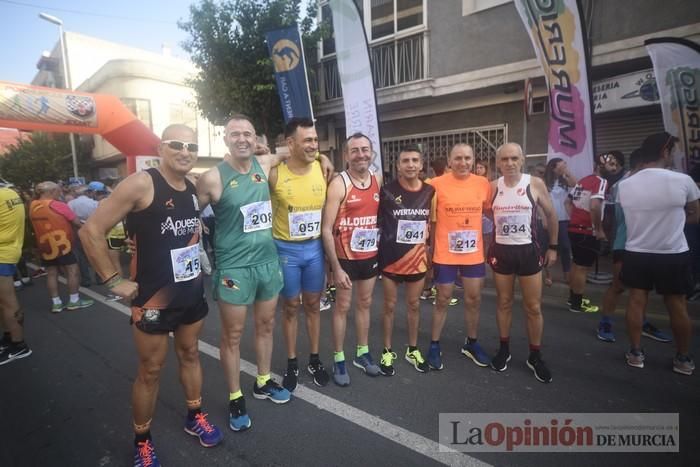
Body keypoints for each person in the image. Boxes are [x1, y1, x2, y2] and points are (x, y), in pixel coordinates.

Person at [80, 124, 223, 466]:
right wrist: (114, 280)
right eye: (177, 144)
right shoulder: (141, 183)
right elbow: (90, 231)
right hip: (154, 299)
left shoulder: (192, 188)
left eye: (191, 145)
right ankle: (142, 439)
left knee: (190, 355)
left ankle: (194, 417)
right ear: (161, 148)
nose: (185, 151)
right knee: (151, 371)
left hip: (190, 292)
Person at [197, 114, 291, 432]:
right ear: (224, 139)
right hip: (234, 267)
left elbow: (291, 151)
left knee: (266, 324)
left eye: (248, 134)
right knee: (233, 336)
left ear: (255, 138)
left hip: (267, 262)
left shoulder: (263, 166)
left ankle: (263, 381)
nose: (242, 139)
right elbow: (187, 212)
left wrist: (265, 147)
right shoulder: (212, 177)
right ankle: (236, 396)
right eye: (235, 134)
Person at [618, 132, 699, 375]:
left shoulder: (626, 184)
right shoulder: (683, 181)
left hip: (637, 250)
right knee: (676, 304)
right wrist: (675, 223)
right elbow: (696, 214)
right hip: (672, 251)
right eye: (672, 151)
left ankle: (635, 352)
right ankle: (683, 358)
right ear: (665, 152)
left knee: (636, 300)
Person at [487, 143, 557, 383]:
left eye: (514, 158)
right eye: (504, 159)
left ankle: (535, 355)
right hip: (502, 252)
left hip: (528, 251)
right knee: (504, 302)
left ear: (522, 159)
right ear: (498, 163)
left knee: (533, 307)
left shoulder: (534, 184)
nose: (509, 163)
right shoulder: (492, 187)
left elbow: (551, 214)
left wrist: (554, 247)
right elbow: (488, 215)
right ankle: (504, 349)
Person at [269, 117, 330, 391]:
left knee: (314, 305)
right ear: (290, 143)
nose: (314, 145)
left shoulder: (322, 167)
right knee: (291, 307)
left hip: (315, 248)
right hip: (286, 250)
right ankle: (292, 361)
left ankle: (314, 359)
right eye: (307, 140)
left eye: (315, 140)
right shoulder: (275, 173)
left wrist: (323, 155)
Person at [321, 132, 383, 386]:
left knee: (365, 303)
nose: (361, 154)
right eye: (355, 150)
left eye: (365, 149)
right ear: (347, 155)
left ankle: (362, 352)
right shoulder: (339, 183)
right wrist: (335, 266)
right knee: (342, 307)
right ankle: (338, 357)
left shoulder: (378, 179)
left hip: (369, 255)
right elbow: (326, 228)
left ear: (372, 153)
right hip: (345, 258)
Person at [427, 143, 492, 370]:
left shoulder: (483, 184)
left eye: (467, 158)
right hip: (445, 253)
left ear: (473, 160)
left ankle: (471, 343)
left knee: (474, 299)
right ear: (449, 160)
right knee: (443, 299)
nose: (463, 163)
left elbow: (492, 211)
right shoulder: (435, 184)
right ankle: (434, 344)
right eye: (458, 158)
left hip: (473, 254)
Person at [597, 150, 672, 343]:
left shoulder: (657, 183)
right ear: (641, 165)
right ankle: (605, 322)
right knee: (618, 285)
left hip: (651, 244)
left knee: (642, 290)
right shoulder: (624, 185)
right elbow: (616, 217)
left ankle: (643, 322)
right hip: (625, 243)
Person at [378, 144, 434, 375]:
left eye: (414, 160)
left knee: (414, 305)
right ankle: (387, 350)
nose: (410, 165)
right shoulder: (386, 191)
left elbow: (433, 223)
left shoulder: (430, 192)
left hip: (417, 259)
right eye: (405, 161)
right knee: (389, 306)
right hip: (391, 258)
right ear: (398, 166)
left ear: (421, 165)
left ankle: (412, 349)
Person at [29, 181, 94, 312]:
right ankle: (74, 301)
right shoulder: (57, 205)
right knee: (72, 271)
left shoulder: (32, 205)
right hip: (63, 244)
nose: (61, 193)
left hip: (45, 246)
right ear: (51, 192)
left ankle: (56, 303)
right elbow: (76, 222)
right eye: (58, 191)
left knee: (51, 274)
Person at [565, 157, 608, 313]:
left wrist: (575, 219)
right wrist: (598, 229)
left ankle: (573, 300)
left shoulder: (582, 181)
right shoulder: (601, 182)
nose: (612, 167)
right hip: (587, 231)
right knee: (582, 268)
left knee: (576, 264)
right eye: (610, 164)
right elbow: (595, 206)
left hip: (574, 229)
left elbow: (567, 202)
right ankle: (578, 304)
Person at [0, 183, 32, 365]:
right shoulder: (10, 192)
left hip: (2, 254)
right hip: (10, 250)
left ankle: (19, 345)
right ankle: (8, 337)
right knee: (4, 303)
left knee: (7, 302)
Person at [543, 158, 576, 285]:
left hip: (564, 219)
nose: (564, 166)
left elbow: (576, 185)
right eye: (562, 165)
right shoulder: (545, 182)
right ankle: (548, 275)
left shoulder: (565, 180)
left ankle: (567, 274)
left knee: (566, 247)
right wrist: (544, 220)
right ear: (553, 167)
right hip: (549, 219)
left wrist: (566, 171)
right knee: (548, 247)